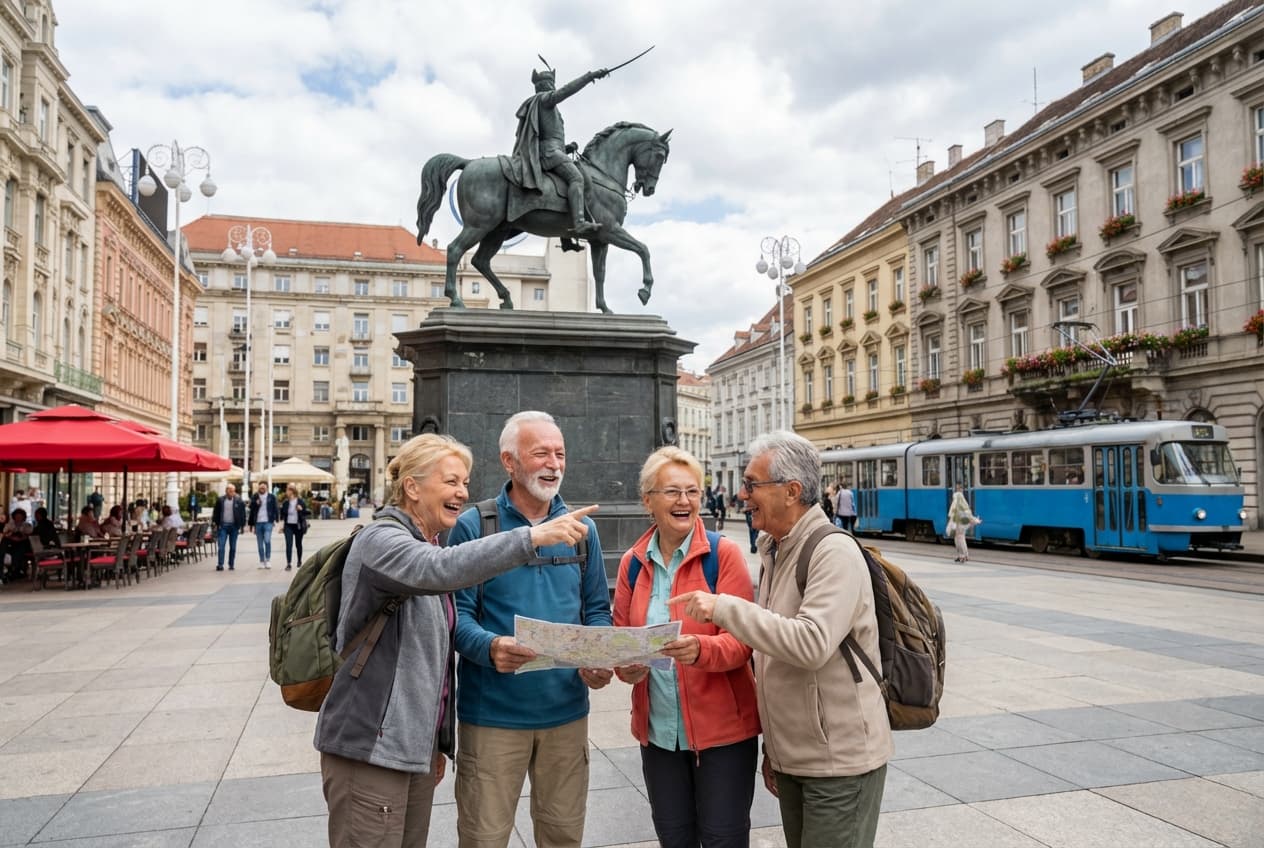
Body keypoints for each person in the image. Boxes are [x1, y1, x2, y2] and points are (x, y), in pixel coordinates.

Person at [315, 433, 598, 848]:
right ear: (412, 486)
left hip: (408, 747)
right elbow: (441, 569)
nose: (462, 492)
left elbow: (432, 664)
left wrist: (435, 744)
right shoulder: (382, 540)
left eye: (464, 482)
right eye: (450, 482)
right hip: (369, 745)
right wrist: (533, 537)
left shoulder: (422, 540)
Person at [670, 431, 892, 848]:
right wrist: (776, 751)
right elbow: (771, 658)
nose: (742, 494)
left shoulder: (833, 552)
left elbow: (811, 644)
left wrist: (723, 609)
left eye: (752, 484)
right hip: (798, 758)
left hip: (839, 763)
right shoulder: (777, 548)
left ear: (791, 491)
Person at [451, 410, 612, 848]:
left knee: (563, 837)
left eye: (560, 454)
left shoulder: (583, 530)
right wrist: (490, 647)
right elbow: (455, 619)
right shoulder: (474, 526)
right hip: (493, 719)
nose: (554, 464)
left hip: (566, 714)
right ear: (509, 461)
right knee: (484, 838)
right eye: (540, 453)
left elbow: (597, 610)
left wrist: (598, 657)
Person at [613, 446, 760, 847]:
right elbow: (623, 638)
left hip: (723, 736)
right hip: (659, 734)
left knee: (722, 839)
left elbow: (744, 642)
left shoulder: (722, 554)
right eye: (672, 492)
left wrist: (699, 650)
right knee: (674, 838)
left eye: (692, 492)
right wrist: (626, 667)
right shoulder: (631, 563)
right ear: (648, 501)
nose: (684, 501)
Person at [511, 64, 609, 236]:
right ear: (546, 85)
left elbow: (545, 137)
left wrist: (566, 148)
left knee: (567, 181)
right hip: (549, 153)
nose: (553, 87)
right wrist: (590, 76)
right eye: (551, 83)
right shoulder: (545, 99)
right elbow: (566, 91)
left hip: (552, 151)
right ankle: (579, 222)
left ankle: (565, 236)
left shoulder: (542, 104)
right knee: (577, 178)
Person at [213, 484, 247, 571]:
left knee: (233, 547)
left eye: (233, 491)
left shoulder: (239, 500)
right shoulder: (220, 500)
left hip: (234, 527)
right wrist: (216, 525)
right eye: (230, 490)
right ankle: (220, 564)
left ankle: (231, 564)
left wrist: (241, 526)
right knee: (221, 546)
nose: (232, 492)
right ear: (226, 491)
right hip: (223, 526)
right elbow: (216, 513)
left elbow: (242, 514)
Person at [248, 481, 279, 569]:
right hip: (258, 523)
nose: (262, 489)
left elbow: (275, 508)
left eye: (263, 488)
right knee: (260, 543)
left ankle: (268, 559)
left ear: (267, 488)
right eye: (260, 488)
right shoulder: (255, 496)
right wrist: (255, 503)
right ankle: (262, 560)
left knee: (267, 540)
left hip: (268, 522)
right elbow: (251, 508)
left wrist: (276, 519)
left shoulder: (271, 497)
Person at [947, 485, 980, 563]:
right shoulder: (962, 501)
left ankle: (964, 555)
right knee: (959, 539)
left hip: (960, 524)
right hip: (961, 524)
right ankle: (962, 556)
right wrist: (974, 520)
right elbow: (967, 513)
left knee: (959, 539)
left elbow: (952, 513)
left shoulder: (956, 501)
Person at [280, 484, 310, 571]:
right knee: (288, 545)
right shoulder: (285, 503)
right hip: (288, 525)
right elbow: (282, 515)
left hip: (298, 525)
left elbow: (306, 512)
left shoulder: (300, 501)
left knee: (298, 544)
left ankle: (299, 560)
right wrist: (282, 526)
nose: (286, 492)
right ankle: (288, 563)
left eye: (287, 491)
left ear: (292, 491)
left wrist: (301, 510)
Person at [1, 508, 33, 582]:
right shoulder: (9, 525)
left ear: (23, 517)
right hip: (11, 544)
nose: (18, 518)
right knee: (6, 544)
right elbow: (5, 534)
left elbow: (28, 535)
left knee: (20, 548)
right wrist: (12, 536)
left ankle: (15, 569)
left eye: (20, 516)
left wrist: (21, 537)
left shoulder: (27, 525)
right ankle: (9, 569)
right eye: (17, 516)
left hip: (23, 544)